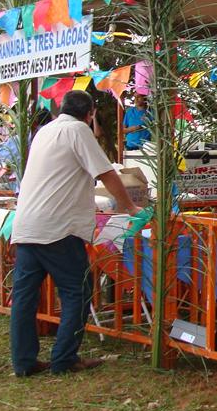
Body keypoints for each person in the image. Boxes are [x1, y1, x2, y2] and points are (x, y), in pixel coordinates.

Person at [9, 90, 141, 377]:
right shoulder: (78, 130)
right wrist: (130, 207)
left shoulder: (46, 131)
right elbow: (106, 173)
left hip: (27, 226)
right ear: (90, 113)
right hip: (58, 228)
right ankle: (64, 358)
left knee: (24, 298)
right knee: (77, 291)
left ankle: (23, 361)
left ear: (62, 108)